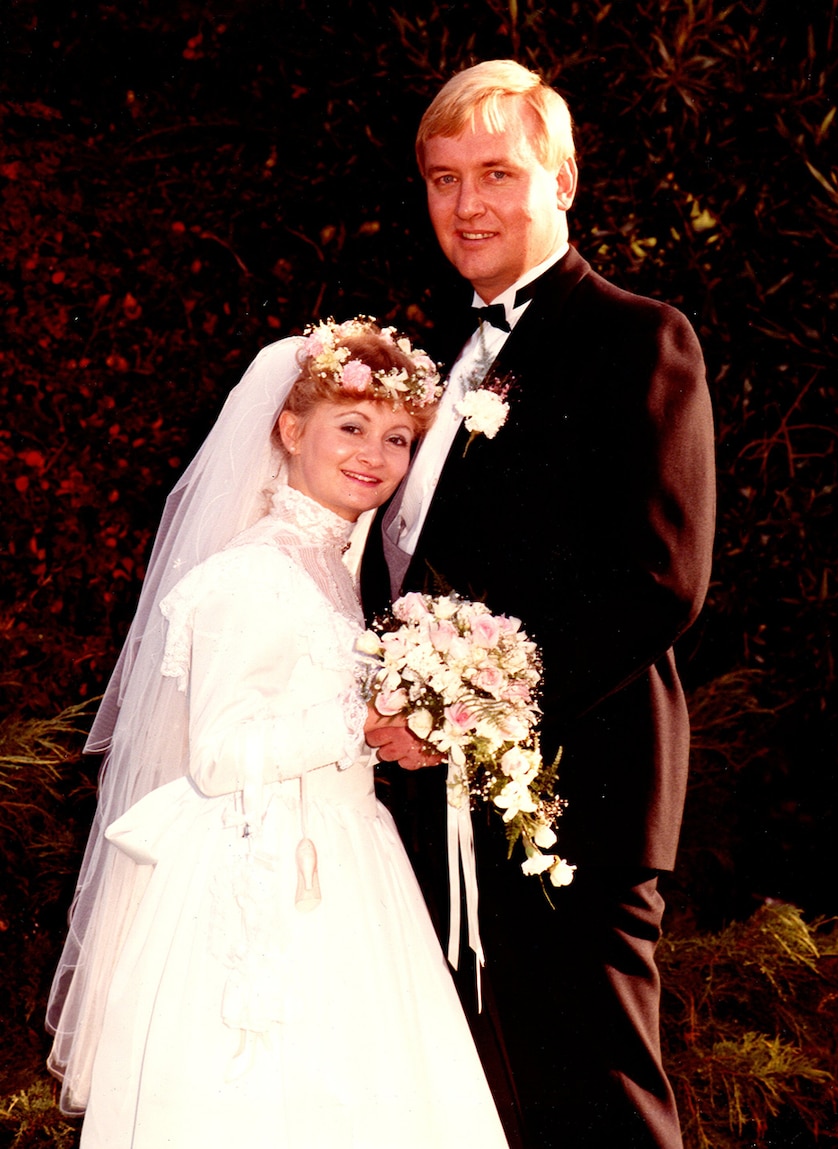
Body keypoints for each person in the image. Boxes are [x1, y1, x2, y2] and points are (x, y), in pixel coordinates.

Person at [361, 61, 717, 1148]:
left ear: (562, 176)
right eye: (442, 179)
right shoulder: (420, 362)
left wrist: (455, 712)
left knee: (596, 1110)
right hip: (414, 813)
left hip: (572, 799)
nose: (467, 206)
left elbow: (660, 583)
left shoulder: (637, 337)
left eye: (497, 174)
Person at [45, 318, 509, 1149]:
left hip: (345, 852)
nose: (375, 452)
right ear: (291, 430)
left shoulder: (332, 568)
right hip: (269, 875)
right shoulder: (252, 570)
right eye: (352, 426)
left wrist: (391, 732)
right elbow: (219, 754)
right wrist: (356, 721)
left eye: (398, 437)